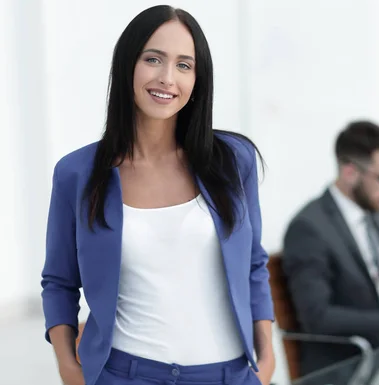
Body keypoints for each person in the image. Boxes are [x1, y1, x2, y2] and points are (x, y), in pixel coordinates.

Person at [41, 6, 274, 385]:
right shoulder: (78, 174)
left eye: (184, 65)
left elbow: (252, 262)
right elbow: (59, 281)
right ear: (127, 65)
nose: (167, 78)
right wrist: (69, 368)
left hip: (230, 375)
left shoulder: (233, 161)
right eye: (153, 59)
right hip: (125, 374)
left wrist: (266, 360)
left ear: (199, 79)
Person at [282, 121, 379, 379]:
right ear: (349, 172)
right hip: (351, 365)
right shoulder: (309, 228)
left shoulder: (373, 214)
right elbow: (317, 315)